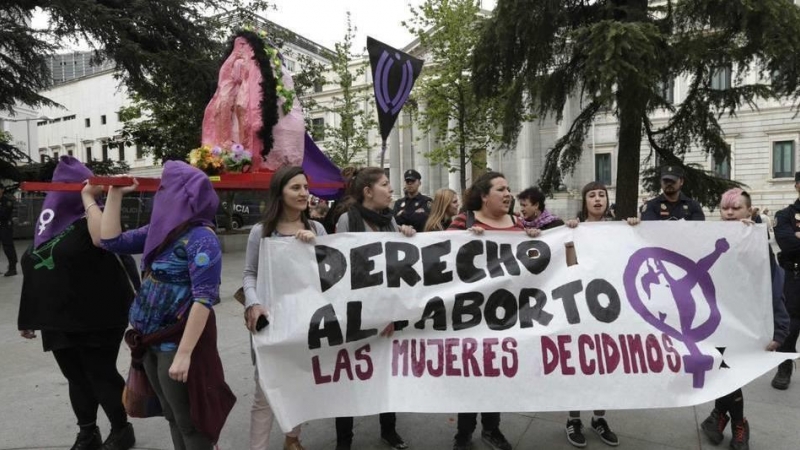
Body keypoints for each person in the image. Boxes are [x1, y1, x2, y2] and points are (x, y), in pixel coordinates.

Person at [97, 161, 235, 450]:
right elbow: (109, 241)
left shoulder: (200, 239)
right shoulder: (161, 231)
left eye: (164, 188)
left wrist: (184, 354)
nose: (159, 194)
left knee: (190, 422)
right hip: (150, 342)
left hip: (177, 344)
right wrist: (115, 193)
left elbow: (203, 298)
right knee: (172, 415)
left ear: (182, 195)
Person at [17, 156, 136, 450]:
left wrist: (89, 200)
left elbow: (102, 240)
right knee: (75, 377)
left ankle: (122, 430)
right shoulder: (48, 226)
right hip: (57, 316)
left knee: (100, 373)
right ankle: (87, 433)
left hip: (98, 313)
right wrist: (29, 317)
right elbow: (36, 268)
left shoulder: (93, 217)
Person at [447, 172, 539, 450]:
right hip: (471, 316)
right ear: (484, 196)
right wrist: (463, 240)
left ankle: (491, 429)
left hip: (506, 316)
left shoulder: (518, 224)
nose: (509, 194)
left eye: (509, 188)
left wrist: (536, 241)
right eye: (501, 189)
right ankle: (464, 434)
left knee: (496, 374)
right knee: (471, 375)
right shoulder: (464, 222)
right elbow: (440, 257)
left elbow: (535, 262)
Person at [243, 167, 327, 450]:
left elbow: (330, 275)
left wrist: (314, 247)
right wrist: (254, 303)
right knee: (264, 392)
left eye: (305, 187)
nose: (304, 193)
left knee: (298, 384)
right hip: (270, 321)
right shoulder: (260, 231)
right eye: (296, 188)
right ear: (280, 192)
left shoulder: (317, 229)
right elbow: (249, 274)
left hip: (305, 323)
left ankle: (292, 440)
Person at [699, 188, 789, 450]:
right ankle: (733, 422)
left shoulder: (758, 244)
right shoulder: (707, 240)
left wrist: (780, 330)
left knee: (731, 374)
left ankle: (724, 419)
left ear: (749, 211)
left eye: (736, 208)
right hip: (715, 324)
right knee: (725, 372)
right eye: (725, 208)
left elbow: (773, 288)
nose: (729, 212)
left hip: (747, 326)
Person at [335, 167, 415, 450]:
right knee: (346, 378)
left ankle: (389, 430)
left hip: (384, 311)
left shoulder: (390, 221)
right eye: (384, 184)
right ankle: (344, 439)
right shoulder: (347, 220)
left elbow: (397, 270)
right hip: (354, 313)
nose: (391, 189)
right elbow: (339, 269)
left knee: (385, 374)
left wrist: (406, 236)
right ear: (368, 191)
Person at [563, 181, 640, 448]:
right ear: (584, 201)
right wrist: (570, 240)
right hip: (581, 306)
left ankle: (599, 418)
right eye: (592, 196)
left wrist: (633, 228)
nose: (597, 199)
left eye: (602, 195)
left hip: (611, 307)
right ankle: (573, 419)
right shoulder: (573, 228)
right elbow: (569, 267)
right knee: (578, 363)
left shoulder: (620, 228)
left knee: (606, 364)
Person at [771, 172, 800, 390]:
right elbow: (788, 244)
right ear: (797, 186)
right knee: (791, 325)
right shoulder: (785, 215)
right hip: (795, 276)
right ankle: (784, 367)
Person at [640, 165, 705, 221]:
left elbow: (697, 229)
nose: (669, 184)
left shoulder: (693, 206)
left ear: (681, 181)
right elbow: (649, 230)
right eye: (666, 181)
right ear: (660, 182)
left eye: (672, 181)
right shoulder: (651, 206)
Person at [0, 183, 18, 276]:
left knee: (8, 247)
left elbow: (4, 215)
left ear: (2, 190)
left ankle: (12, 268)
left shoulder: (7, 201)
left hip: (5, 227)